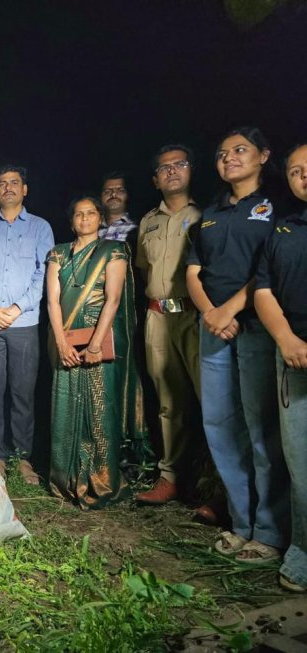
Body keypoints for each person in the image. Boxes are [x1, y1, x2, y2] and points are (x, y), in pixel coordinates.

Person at [186, 126, 289, 562]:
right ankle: (241, 523)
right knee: (220, 427)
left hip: (256, 328)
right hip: (213, 330)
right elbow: (193, 273)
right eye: (223, 152)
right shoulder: (210, 215)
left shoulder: (276, 209)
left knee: (261, 429)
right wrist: (211, 313)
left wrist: (228, 310)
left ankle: (269, 531)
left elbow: (268, 268)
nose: (229, 158)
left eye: (240, 150)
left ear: (264, 156)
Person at [46, 197, 149, 509]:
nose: (85, 218)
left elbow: (113, 299)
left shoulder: (112, 250)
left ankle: (101, 480)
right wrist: (61, 343)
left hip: (99, 337)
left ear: (100, 219)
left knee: (99, 406)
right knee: (65, 404)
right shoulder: (58, 253)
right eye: (78, 213)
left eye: (91, 213)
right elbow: (52, 300)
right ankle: (65, 479)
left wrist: (94, 343)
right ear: (71, 220)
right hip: (65, 335)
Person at [134, 145, 204, 507]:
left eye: (180, 165)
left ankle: (216, 487)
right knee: (167, 402)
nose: (172, 171)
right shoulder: (149, 222)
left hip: (197, 316)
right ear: (155, 179)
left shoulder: (206, 215)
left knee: (212, 400)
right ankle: (170, 476)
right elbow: (145, 267)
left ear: (192, 171)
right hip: (158, 316)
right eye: (164, 168)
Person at [0, 165, 53, 483]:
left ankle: (22, 458)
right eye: (2, 183)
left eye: (14, 183)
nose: (8, 188)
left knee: (22, 393)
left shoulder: (40, 227)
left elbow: (43, 273)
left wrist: (18, 308)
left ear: (25, 189)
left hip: (25, 321)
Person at [255, 142, 307, 592]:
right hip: (292, 353)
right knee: (299, 456)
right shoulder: (284, 229)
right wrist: (286, 338)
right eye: (295, 171)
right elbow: (264, 289)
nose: (304, 175)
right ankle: (302, 549)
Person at [98, 172, 137, 249]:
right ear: (100, 196)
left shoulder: (137, 229)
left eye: (120, 190)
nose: (113, 195)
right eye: (107, 191)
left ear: (128, 195)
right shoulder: (90, 227)